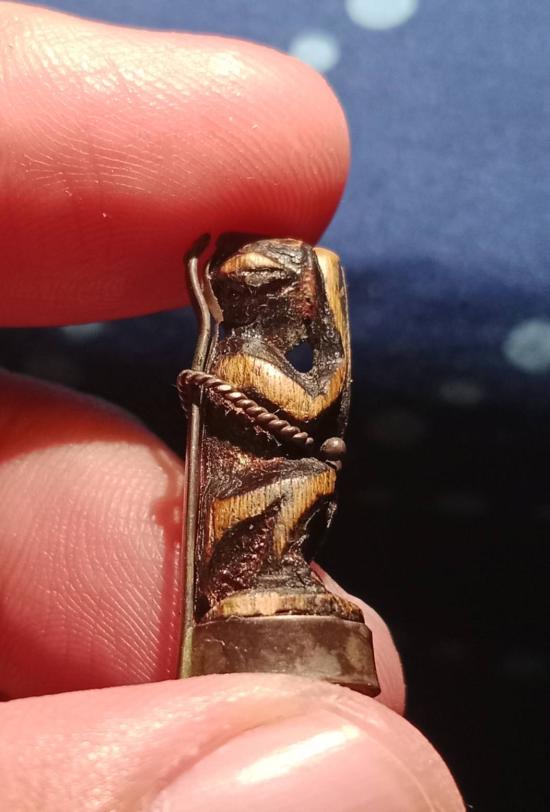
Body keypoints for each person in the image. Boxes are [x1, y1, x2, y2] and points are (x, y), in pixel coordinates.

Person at [0, 4, 464, 809]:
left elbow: (312, 403)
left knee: (301, 491)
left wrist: (287, 362)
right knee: (278, 499)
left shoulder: (278, 357)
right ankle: (261, 586)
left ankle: (272, 580)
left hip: (277, 478)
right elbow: (289, 407)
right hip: (249, 485)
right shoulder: (241, 354)